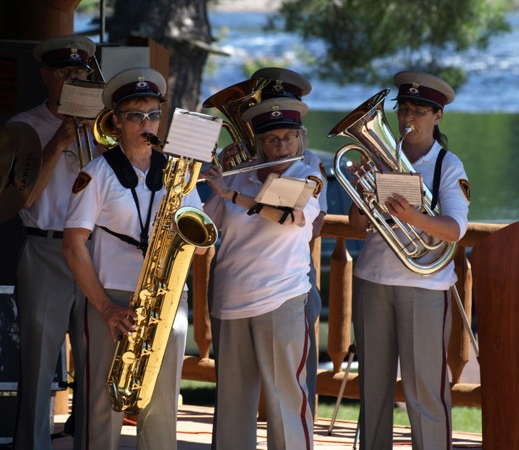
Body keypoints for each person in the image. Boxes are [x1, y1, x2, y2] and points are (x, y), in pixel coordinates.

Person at [63, 66, 206, 450]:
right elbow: (73, 244)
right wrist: (106, 308)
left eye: (153, 115)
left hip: (165, 298)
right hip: (111, 297)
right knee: (102, 406)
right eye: (135, 116)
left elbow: (204, 240)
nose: (146, 123)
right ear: (117, 123)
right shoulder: (97, 173)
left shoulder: (177, 173)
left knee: (162, 409)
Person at [348, 71, 471, 450]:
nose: (408, 119)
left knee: (424, 392)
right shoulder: (379, 158)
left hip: (424, 286)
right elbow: (356, 226)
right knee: (374, 390)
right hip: (373, 279)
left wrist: (411, 216)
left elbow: (454, 229)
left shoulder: (448, 165)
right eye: (403, 109)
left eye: (419, 111)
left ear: (438, 116)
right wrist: (361, 188)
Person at [201, 97, 325, 450]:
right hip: (230, 302)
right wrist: (194, 184)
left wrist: (233, 194)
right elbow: (202, 236)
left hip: (280, 300)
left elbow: (287, 216)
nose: (280, 146)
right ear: (258, 143)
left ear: (300, 140)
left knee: (285, 404)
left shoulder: (306, 176)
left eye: (288, 138)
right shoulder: (238, 176)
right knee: (232, 408)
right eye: (271, 140)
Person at [8, 34, 98, 450]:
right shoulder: (23, 126)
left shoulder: (104, 125)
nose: (72, 80)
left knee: (95, 359)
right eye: (63, 73)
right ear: (46, 76)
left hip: (96, 250)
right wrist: (59, 140)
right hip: (45, 247)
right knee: (39, 360)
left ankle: (91, 442)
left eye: (79, 73)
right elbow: (20, 198)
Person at [251, 66, 329, 418]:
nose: (280, 143)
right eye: (268, 106)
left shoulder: (310, 166)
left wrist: (256, 195)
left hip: (291, 275)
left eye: (287, 133)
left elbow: (308, 224)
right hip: (242, 281)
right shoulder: (245, 163)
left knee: (297, 371)